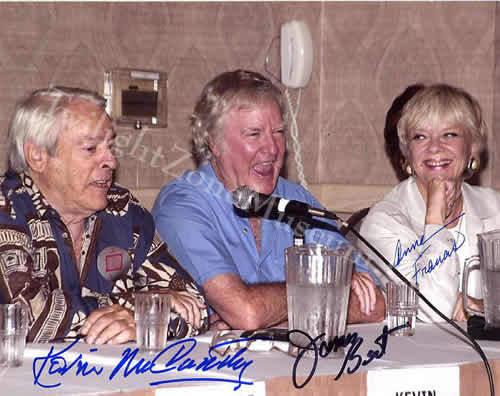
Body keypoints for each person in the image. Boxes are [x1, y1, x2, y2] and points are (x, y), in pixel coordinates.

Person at [152, 69, 385, 330]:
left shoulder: (296, 199)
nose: (272, 148)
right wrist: (327, 292)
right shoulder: (182, 207)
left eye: (278, 132)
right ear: (214, 143)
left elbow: (375, 304)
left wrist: (276, 317)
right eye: (254, 134)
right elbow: (247, 312)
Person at [0, 86, 208, 343]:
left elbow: (195, 306)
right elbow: (27, 317)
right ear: (37, 155)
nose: (111, 160)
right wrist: (141, 308)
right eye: (90, 149)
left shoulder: (123, 210)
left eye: (110, 146)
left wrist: (140, 320)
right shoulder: (5, 209)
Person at [360, 83, 498, 322]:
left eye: (450, 134)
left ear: (472, 147)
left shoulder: (495, 207)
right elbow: (434, 308)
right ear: (407, 153)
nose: (434, 147)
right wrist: (435, 217)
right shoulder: (383, 222)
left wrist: (482, 307)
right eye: (420, 136)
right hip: (416, 357)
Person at [384, 84, 425, 181]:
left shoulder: (467, 193)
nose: (435, 147)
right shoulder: (397, 196)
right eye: (420, 137)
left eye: (448, 135)